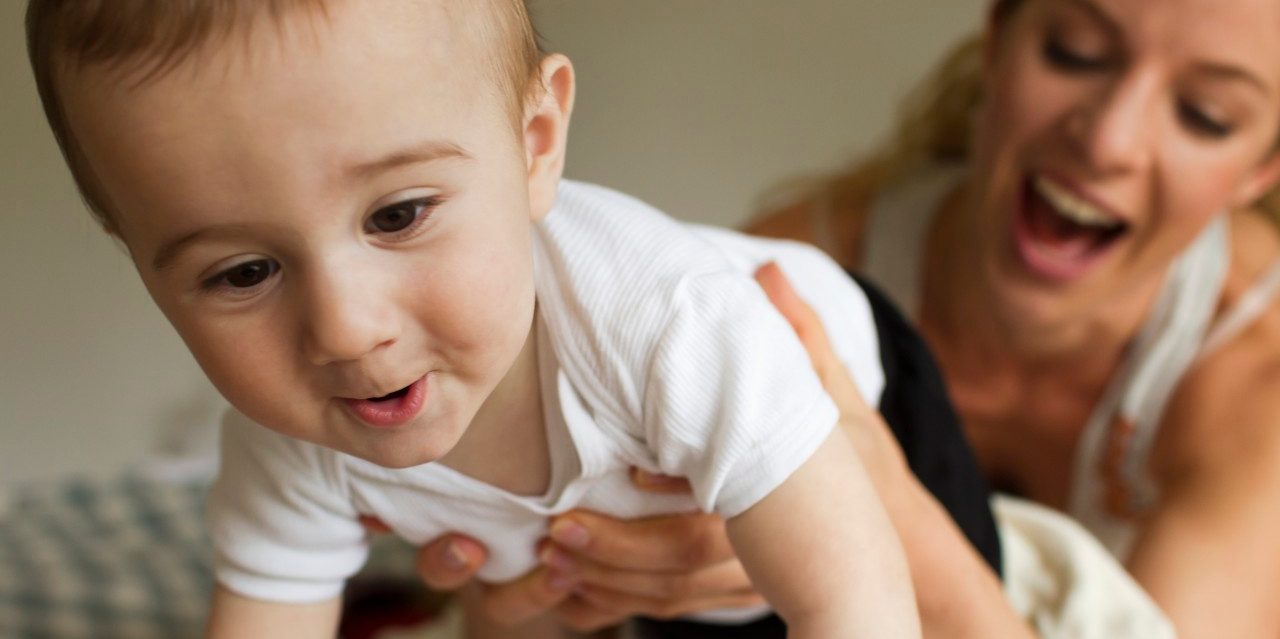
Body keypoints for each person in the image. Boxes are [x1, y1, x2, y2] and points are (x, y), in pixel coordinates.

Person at [26, 1, 923, 637]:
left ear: (535, 145)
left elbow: (857, 600)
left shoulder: (669, 326)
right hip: (618, 576)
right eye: (244, 271)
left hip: (855, 409)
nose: (344, 329)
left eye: (398, 214)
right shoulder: (288, 441)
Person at [413, 0, 1280, 637]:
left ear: (1260, 171)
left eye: (1206, 115)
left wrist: (862, 519)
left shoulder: (1260, 400)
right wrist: (542, 585)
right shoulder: (780, 283)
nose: (1109, 139)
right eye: (1076, 50)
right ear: (998, 39)